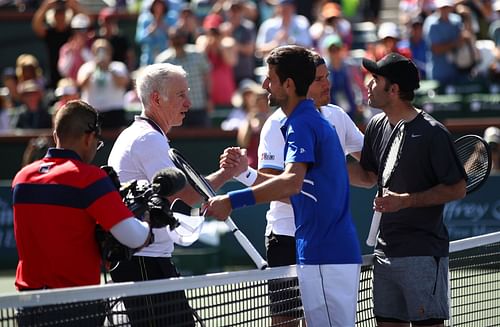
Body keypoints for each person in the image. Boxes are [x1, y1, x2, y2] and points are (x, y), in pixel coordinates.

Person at [206, 45, 362, 327]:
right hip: (320, 248)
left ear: (288, 85)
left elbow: (291, 182)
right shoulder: (306, 121)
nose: (265, 84)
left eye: (271, 78)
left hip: (324, 252)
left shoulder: (303, 123)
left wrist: (232, 200)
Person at [107, 63, 240, 326]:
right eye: (181, 95)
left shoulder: (145, 136)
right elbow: (190, 196)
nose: (189, 102)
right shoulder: (148, 139)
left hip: (147, 260)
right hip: (145, 262)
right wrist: (228, 173)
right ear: (156, 98)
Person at [348, 52, 467, 327]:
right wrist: (323, 169)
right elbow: (368, 175)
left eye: (375, 79)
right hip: (384, 253)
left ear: (394, 89)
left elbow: (458, 188)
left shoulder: (433, 133)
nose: (368, 84)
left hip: (422, 254)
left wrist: (406, 201)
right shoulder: (376, 125)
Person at [12, 100, 153, 325]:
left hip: (28, 306)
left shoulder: (21, 178)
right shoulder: (89, 178)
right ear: (89, 137)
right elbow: (134, 237)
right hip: (77, 307)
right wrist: (148, 223)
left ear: (56, 133)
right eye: (97, 142)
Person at [77, 38, 130, 128]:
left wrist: (108, 68)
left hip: (114, 113)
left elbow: (123, 84)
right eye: (98, 51)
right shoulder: (86, 68)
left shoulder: (118, 67)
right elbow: (81, 85)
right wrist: (94, 68)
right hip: (92, 112)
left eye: (105, 50)